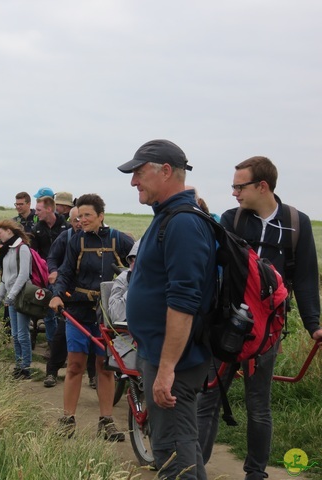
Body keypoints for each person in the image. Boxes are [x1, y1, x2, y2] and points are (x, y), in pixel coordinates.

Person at [197, 156, 322, 480]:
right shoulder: (231, 219)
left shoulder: (297, 223)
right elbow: (212, 268)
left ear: (261, 186)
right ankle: (194, 469)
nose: (234, 192)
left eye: (240, 186)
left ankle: (256, 473)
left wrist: (313, 325)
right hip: (226, 325)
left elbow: (306, 278)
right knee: (209, 398)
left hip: (267, 331)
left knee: (258, 404)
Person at [118, 139, 217, 479]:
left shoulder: (182, 224)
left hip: (173, 361)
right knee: (177, 448)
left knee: (174, 455)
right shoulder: (170, 218)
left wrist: (166, 369)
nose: (133, 182)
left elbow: (183, 303)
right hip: (163, 356)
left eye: (138, 173)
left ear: (165, 171)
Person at [49, 193, 134, 441]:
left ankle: (106, 422)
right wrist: (57, 295)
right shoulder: (76, 241)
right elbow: (65, 273)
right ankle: (67, 420)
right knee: (75, 365)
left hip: (107, 315)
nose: (82, 220)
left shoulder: (120, 240)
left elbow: (138, 268)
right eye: (80, 215)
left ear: (101, 216)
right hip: (78, 311)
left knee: (105, 368)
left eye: (87, 215)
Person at [43, 207, 97, 389]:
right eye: (76, 220)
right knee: (62, 333)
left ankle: (93, 376)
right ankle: (51, 371)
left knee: (95, 336)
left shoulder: (98, 238)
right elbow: (52, 257)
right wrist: (54, 271)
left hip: (92, 296)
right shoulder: (66, 237)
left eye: (82, 218)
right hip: (68, 291)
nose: (79, 223)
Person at [0, 219, 33, 379]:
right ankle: (19, 365)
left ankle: (26, 367)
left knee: (22, 334)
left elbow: (23, 275)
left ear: (9, 231)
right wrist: (0, 297)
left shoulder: (22, 249)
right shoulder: (7, 251)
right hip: (11, 298)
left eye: (0, 232)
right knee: (15, 335)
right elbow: (5, 277)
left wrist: (10, 296)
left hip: (21, 297)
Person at [32, 195, 69, 352]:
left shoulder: (65, 227)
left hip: (64, 275)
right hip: (45, 275)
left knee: (63, 312)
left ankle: (64, 346)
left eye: (39, 210)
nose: (36, 212)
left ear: (49, 209)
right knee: (48, 311)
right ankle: (52, 345)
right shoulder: (37, 228)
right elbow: (34, 253)